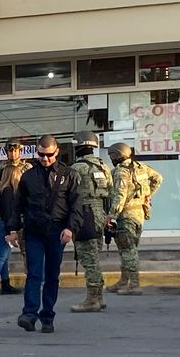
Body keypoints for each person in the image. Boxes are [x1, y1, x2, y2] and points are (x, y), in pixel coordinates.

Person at [6, 134, 75, 333]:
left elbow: (76, 204)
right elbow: (18, 205)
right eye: (41, 154)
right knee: (34, 273)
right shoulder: (29, 176)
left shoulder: (68, 175)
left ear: (57, 152)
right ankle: (29, 314)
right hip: (34, 230)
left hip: (57, 230)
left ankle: (47, 316)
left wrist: (70, 228)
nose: (45, 159)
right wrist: (13, 229)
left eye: (49, 155)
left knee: (52, 275)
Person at [105, 141, 163, 295]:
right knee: (128, 249)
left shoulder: (121, 171)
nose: (111, 159)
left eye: (111, 156)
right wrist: (147, 195)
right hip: (139, 214)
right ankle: (124, 281)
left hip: (126, 215)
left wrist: (111, 215)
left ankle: (134, 285)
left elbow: (120, 195)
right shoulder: (140, 167)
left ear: (117, 155)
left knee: (128, 250)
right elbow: (158, 178)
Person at [67, 130, 113, 313]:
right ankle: (99, 297)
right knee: (94, 257)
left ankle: (92, 300)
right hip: (99, 214)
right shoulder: (103, 167)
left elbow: (69, 194)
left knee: (89, 258)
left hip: (84, 214)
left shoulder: (77, 168)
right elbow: (110, 193)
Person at [0, 141, 26, 295]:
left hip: (6, 222)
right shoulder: (6, 187)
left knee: (5, 256)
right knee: (2, 256)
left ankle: (5, 283)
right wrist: (12, 230)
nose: (13, 153)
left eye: (16, 151)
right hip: (5, 223)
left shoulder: (27, 167)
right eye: (10, 151)